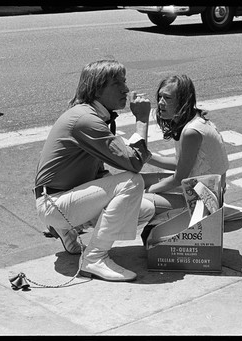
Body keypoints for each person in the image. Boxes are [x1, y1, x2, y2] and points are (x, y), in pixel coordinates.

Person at [34, 60, 155, 282]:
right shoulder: (86, 120)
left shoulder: (94, 115)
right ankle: (95, 257)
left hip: (62, 200)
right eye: (117, 84)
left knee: (144, 208)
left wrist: (114, 199)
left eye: (124, 82)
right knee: (132, 182)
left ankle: (68, 231)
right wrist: (142, 120)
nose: (126, 90)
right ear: (97, 89)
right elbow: (135, 164)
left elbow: (98, 172)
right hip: (54, 203)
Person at [141, 74, 242, 239]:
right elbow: (182, 163)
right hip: (200, 187)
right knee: (139, 180)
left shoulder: (191, 131)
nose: (160, 103)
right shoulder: (193, 120)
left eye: (167, 98)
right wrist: (149, 158)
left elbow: (177, 178)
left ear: (183, 101)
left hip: (203, 200)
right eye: (159, 97)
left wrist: (147, 191)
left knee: (139, 201)